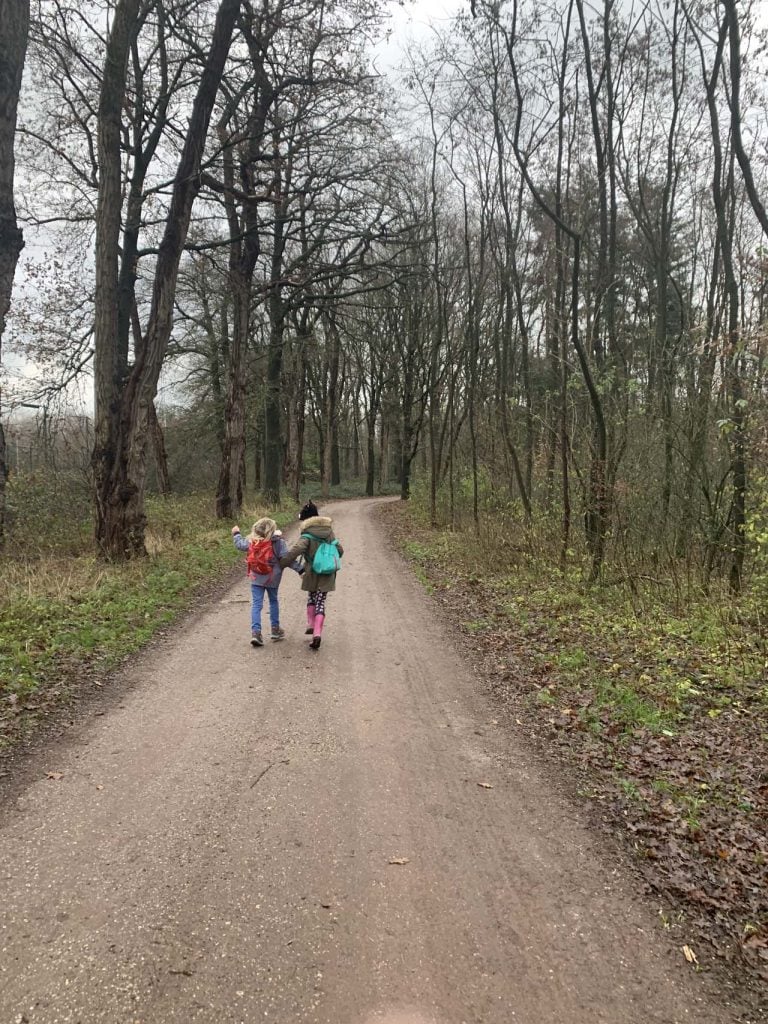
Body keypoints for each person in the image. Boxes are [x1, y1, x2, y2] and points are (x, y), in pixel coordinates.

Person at [280, 506, 343, 650]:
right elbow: (340, 550)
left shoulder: (306, 534)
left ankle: (311, 624)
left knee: (311, 597)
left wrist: (283, 562)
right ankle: (317, 634)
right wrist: (328, 558)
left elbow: (297, 550)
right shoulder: (329, 533)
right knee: (321, 601)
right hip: (327, 573)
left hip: (312, 571)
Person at [232, 517, 301, 647]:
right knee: (273, 601)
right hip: (273, 578)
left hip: (256, 577)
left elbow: (239, 544)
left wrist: (236, 533)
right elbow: (287, 559)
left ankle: (256, 633)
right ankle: (275, 629)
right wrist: (300, 570)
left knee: (256, 605)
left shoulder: (253, 541)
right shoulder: (278, 543)